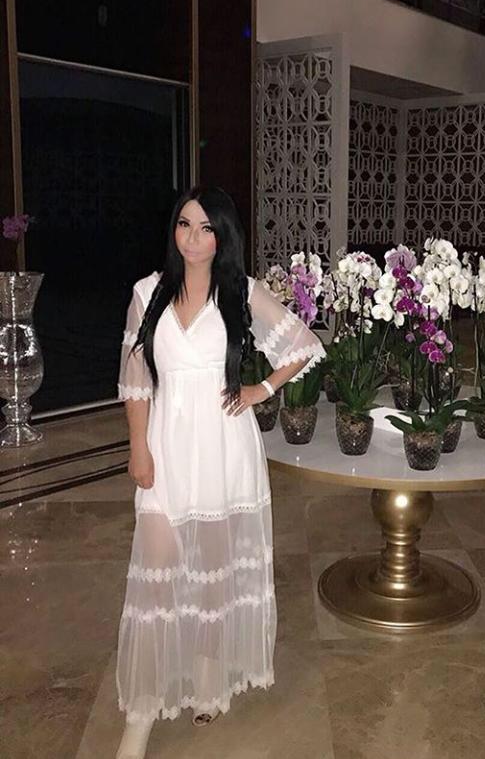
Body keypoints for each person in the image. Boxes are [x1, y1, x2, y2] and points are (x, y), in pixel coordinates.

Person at [115, 186, 325, 759]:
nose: (193, 237)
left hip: (225, 450)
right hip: (166, 448)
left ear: (222, 236)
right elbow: (135, 380)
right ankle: (141, 714)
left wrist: (261, 389)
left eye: (206, 228)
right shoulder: (146, 293)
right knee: (155, 574)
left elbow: (302, 345)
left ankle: (208, 675)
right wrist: (138, 448)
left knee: (212, 571)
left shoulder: (240, 291)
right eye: (185, 224)